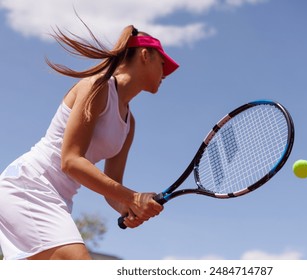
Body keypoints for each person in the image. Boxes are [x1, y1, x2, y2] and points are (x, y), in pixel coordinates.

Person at [0, 22, 179, 260]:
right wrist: (131, 197)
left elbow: (112, 186)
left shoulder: (129, 123)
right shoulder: (97, 87)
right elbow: (71, 161)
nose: (166, 72)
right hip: (29, 185)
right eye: (163, 63)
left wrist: (128, 207)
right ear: (145, 55)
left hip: (57, 198)